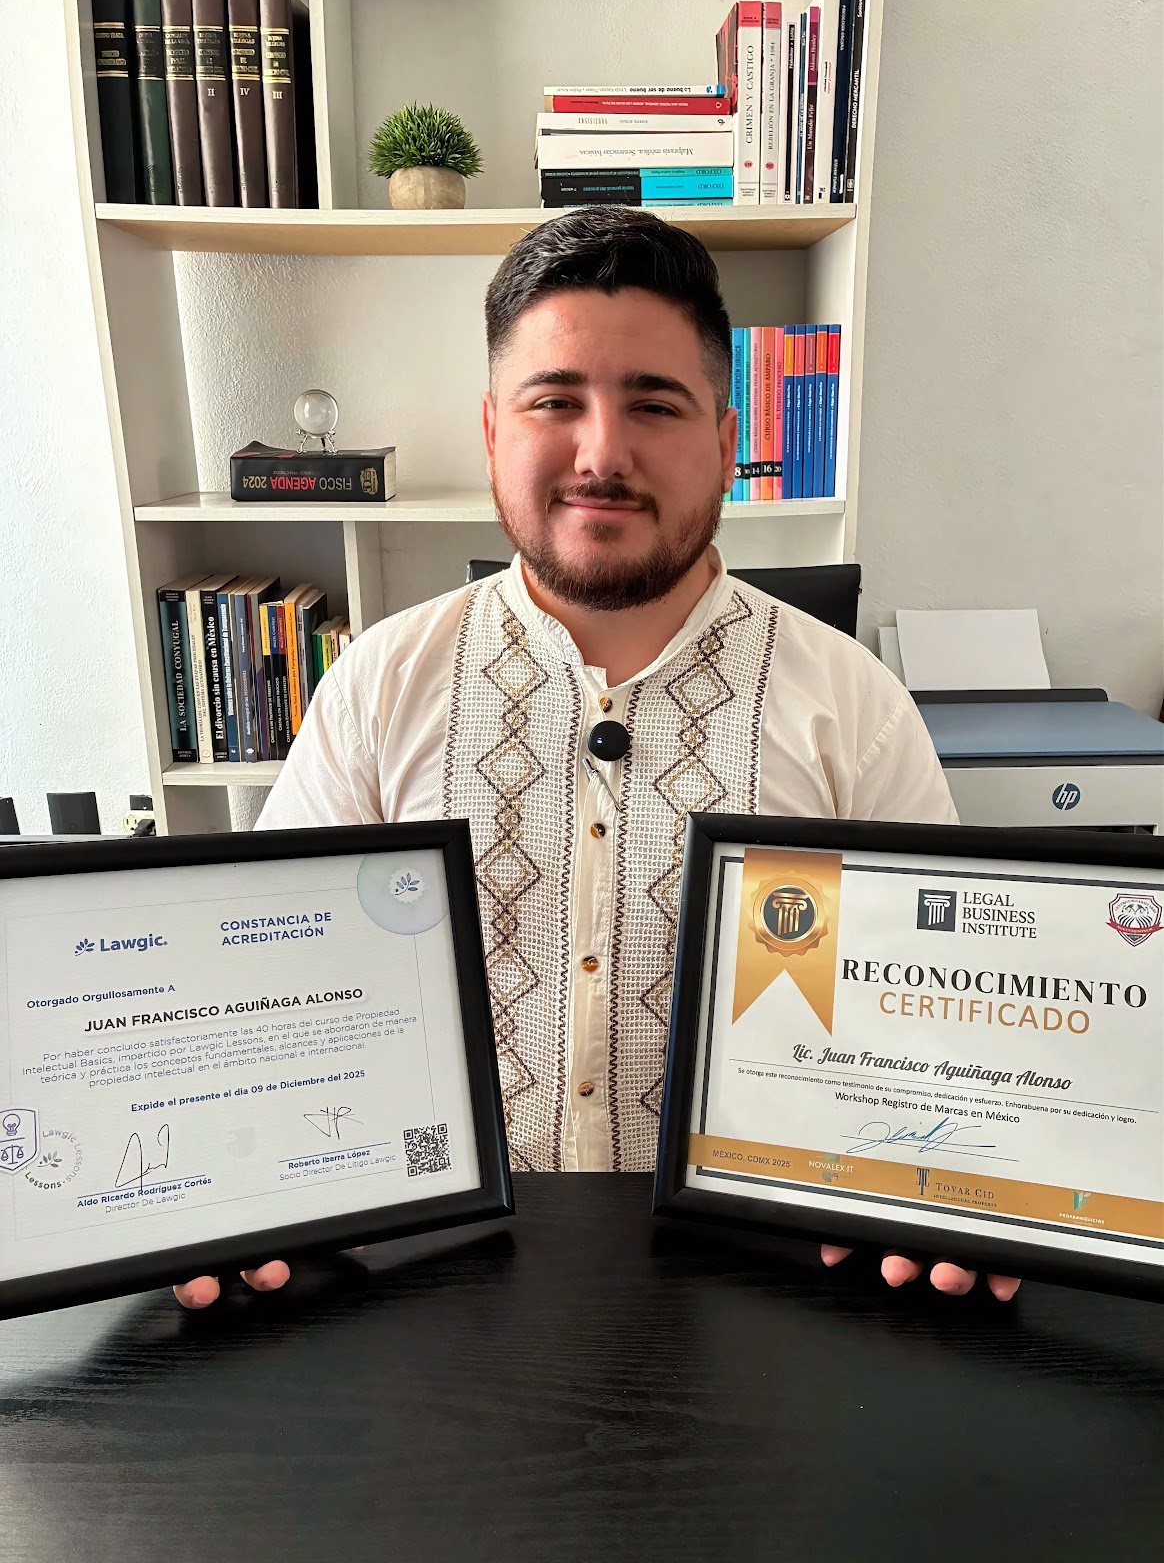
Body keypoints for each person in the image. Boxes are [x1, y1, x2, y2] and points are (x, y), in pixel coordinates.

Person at [175, 207, 1018, 1307]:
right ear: (492, 432)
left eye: (654, 404)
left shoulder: (853, 707)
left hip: (769, 1298)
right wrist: (209, 1181)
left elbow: (946, 1029)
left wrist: (976, 1186)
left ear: (726, 440)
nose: (602, 454)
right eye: (555, 401)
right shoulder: (379, 688)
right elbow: (268, 999)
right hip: (433, 1293)